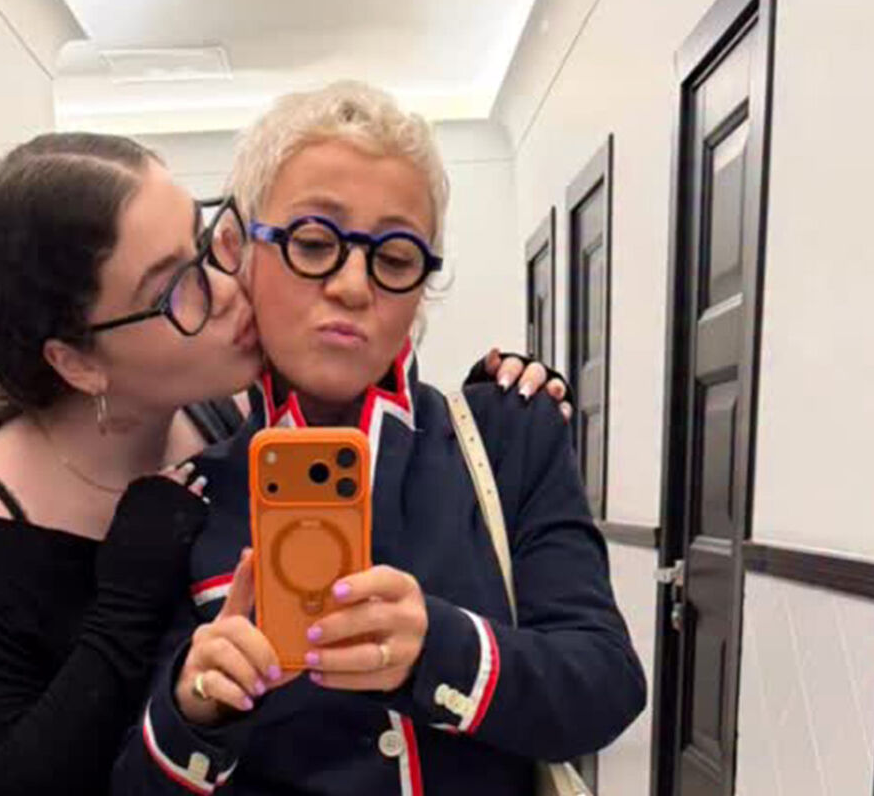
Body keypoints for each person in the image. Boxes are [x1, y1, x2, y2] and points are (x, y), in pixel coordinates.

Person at [0, 132, 568, 795]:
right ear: (78, 362)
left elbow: (360, 367)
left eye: (206, 241)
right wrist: (128, 603)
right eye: (175, 285)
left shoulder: (229, 416)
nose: (225, 286)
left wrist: (494, 407)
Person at [115, 82, 646, 796]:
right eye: (313, 243)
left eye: (395, 258)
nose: (353, 286)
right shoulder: (192, 498)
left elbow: (606, 684)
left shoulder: (507, 436)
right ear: (239, 252)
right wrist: (194, 708)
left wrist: (440, 650)